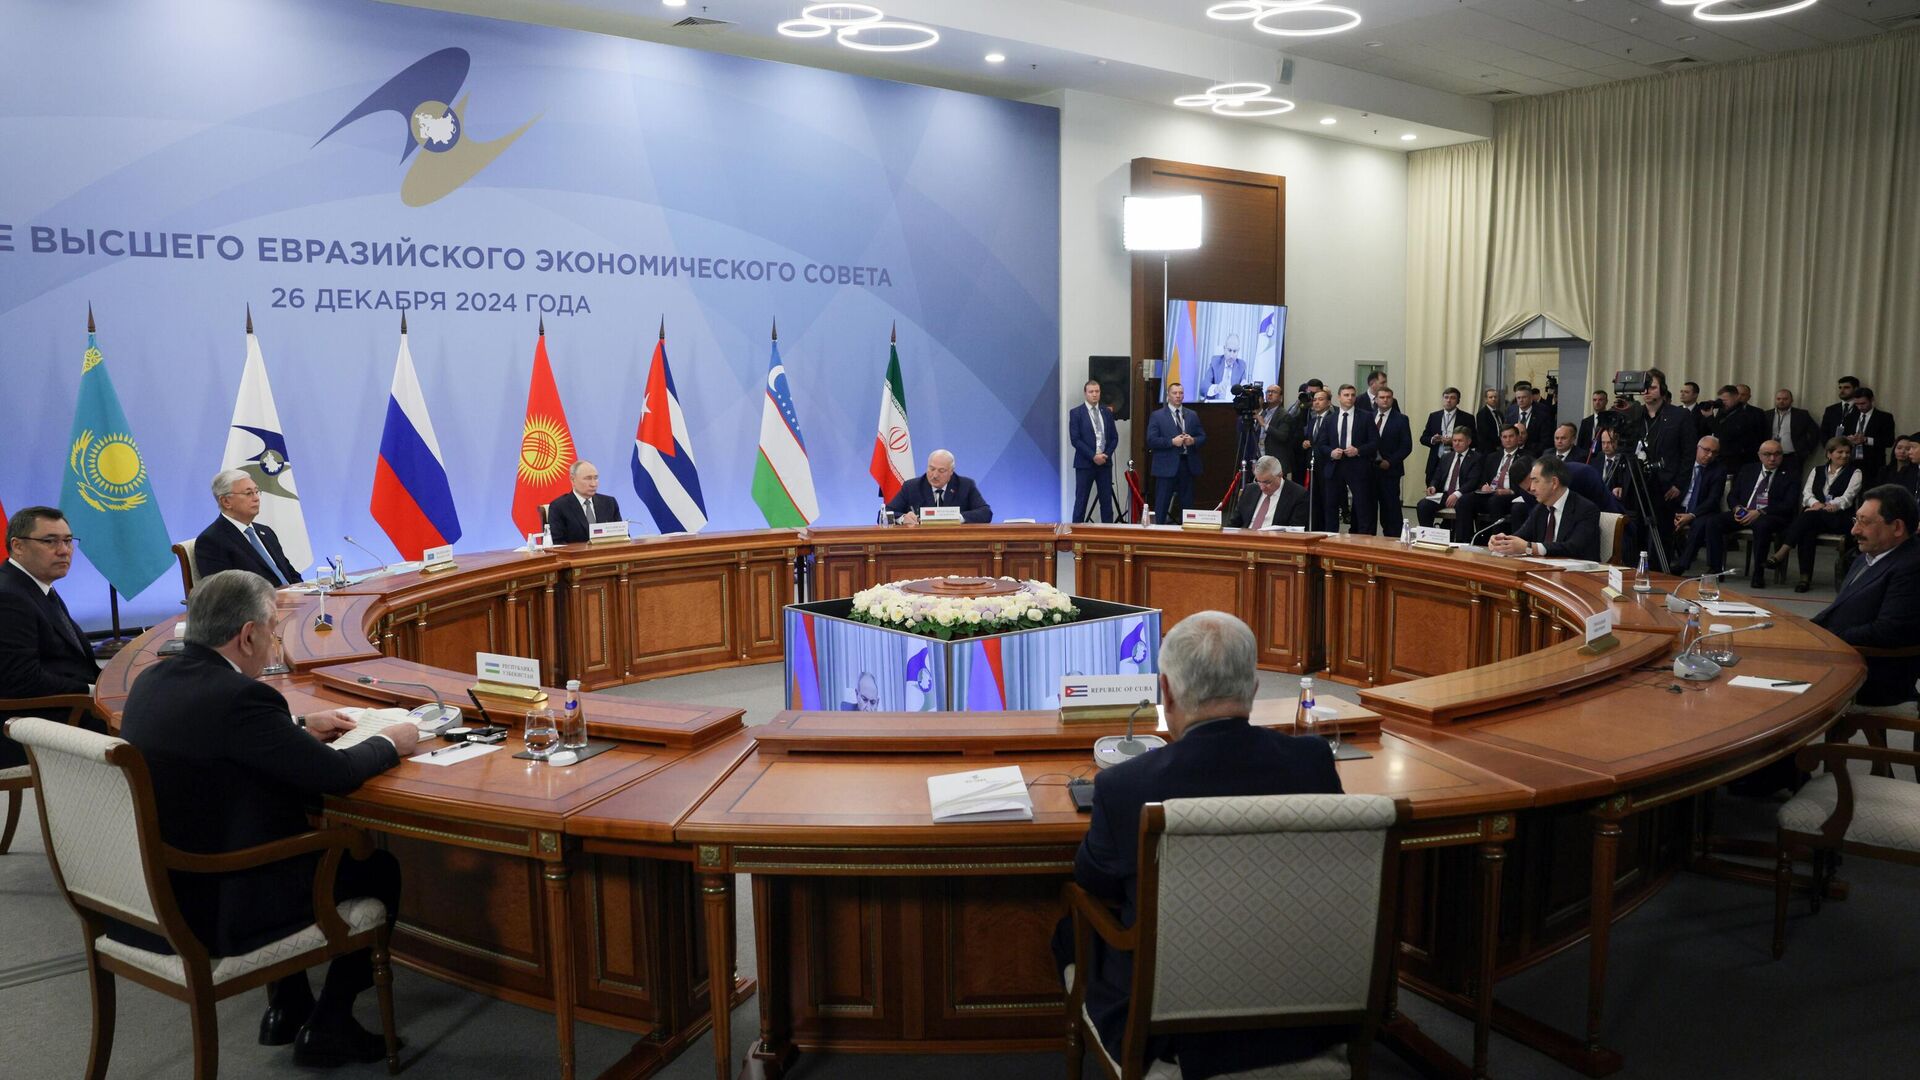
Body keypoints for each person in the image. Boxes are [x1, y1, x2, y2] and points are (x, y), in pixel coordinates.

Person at [109, 570, 418, 1066]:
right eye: (274, 630)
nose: (276, 642)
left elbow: (216, 732)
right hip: (219, 907)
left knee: (274, 824)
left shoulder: (153, 680)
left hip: (154, 892)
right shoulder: (241, 698)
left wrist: (296, 725)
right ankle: (331, 1024)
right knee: (376, 869)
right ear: (247, 635)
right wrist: (390, 741)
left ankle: (288, 1006)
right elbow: (336, 775)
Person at [1053, 611, 1342, 1078]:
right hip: (1303, 1015)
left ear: (1165, 691)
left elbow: (1092, 881)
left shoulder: (1125, 786)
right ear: (1254, 687)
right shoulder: (1312, 762)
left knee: (1072, 925)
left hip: (1171, 1033)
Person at [1, 506, 108, 769]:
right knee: (152, 729)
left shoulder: (34, 584)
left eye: (68, 541)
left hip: (65, 707)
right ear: (18, 546)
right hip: (36, 724)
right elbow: (20, 679)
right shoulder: (9, 596)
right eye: (50, 541)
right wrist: (91, 691)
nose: (64, 550)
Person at [1811, 485, 1920, 707]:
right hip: (1839, 658)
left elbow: (1888, 631)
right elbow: (1838, 610)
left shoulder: (1912, 566)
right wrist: (1802, 630)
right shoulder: (1868, 555)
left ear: (1897, 527)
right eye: (1856, 520)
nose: (1854, 530)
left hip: (1871, 676)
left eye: (1865, 522)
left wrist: (1828, 639)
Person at [1689, 441, 1798, 588]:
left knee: (1762, 526)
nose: (1772, 458)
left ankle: (1758, 573)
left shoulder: (1790, 474)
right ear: (1759, 456)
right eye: (1767, 454)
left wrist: (1759, 512)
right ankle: (1715, 569)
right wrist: (1737, 508)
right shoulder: (1748, 469)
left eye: (1777, 454)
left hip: (1770, 515)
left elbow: (1789, 504)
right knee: (1713, 522)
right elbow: (1732, 496)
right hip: (1744, 512)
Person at [1768, 438, 1863, 593]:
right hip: (1816, 517)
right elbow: (1807, 493)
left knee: (1807, 518)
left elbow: (1848, 497)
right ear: (1829, 454)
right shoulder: (1817, 470)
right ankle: (1804, 579)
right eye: (1840, 452)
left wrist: (1827, 506)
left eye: (1847, 452)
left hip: (1839, 518)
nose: (1844, 455)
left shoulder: (1855, 472)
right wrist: (1815, 504)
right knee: (1807, 529)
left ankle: (1783, 552)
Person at [192, 469, 303, 586]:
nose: (256, 498)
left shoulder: (266, 532)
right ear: (226, 501)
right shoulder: (212, 541)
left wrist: (303, 591)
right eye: (249, 493)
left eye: (256, 491)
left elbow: (291, 574)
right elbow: (225, 590)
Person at [1489, 457, 1601, 561]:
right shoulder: (1540, 509)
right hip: (1544, 569)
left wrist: (1530, 547)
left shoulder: (1586, 510)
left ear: (1554, 483)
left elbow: (1573, 548)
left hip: (1579, 572)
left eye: (1536, 481)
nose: (1532, 488)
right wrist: (1502, 542)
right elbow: (1521, 536)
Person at [1314, 383, 1378, 534]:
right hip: (1335, 465)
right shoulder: (1330, 419)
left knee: (1362, 505)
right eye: (1346, 395)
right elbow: (1321, 444)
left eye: (1352, 395)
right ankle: (1331, 537)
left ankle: (1363, 539)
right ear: (1339, 397)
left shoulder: (1366, 416)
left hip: (1358, 465)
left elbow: (1375, 442)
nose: (1350, 398)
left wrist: (1358, 450)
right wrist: (1331, 452)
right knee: (1331, 505)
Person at [1453, 424, 1531, 544]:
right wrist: (1484, 486)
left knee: (1495, 501)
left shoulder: (1526, 457)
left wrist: (1510, 490)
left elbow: (1528, 483)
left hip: (1511, 495)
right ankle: (1464, 541)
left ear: (1517, 437)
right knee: (1464, 501)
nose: (1508, 440)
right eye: (1504, 437)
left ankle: (1497, 541)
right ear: (1501, 439)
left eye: (1511, 436)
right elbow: (1483, 479)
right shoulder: (1492, 457)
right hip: (1490, 493)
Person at [1146, 384, 1207, 524]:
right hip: (1166, 466)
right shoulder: (1157, 416)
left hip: (1187, 465)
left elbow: (1202, 436)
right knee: (1162, 504)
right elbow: (1151, 440)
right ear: (1168, 395)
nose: (1178, 396)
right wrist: (1172, 442)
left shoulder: (1192, 415)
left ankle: (1187, 532)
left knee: (1187, 504)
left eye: (1181, 393)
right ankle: (1159, 532)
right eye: (1175, 393)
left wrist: (1193, 440)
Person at [1667, 436, 1726, 573]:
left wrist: (1692, 515)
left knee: (1700, 524)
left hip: (1702, 510)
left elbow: (1713, 500)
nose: (1710, 455)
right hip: (1679, 506)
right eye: (1706, 450)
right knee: (1661, 517)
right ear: (1697, 448)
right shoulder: (1683, 464)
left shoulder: (1719, 470)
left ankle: (1682, 565)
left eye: (1714, 452)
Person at [887, 449, 994, 524]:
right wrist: (903, 518)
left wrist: (958, 518)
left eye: (941, 471)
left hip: (955, 542)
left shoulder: (965, 485)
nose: (935, 475)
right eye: (932, 469)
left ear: (951, 471)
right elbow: (885, 513)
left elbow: (986, 513)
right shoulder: (912, 487)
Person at [1070, 379, 1120, 524]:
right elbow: (1075, 440)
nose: (1094, 394)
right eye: (1091, 391)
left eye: (1097, 391)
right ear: (1085, 393)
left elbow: (1114, 438)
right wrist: (1093, 456)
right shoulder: (1076, 413)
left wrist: (1106, 455)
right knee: (1081, 502)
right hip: (1085, 464)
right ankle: (1076, 533)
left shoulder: (1107, 412)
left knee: (1106, 503)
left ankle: (1108, 534)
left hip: (1104, 463)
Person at [1418, 428, 1481, 530]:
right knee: (1423, 505)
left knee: (1462, 504)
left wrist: (1456, 494)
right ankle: (1428, 535)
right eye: (1454, 440)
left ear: (1468, 441)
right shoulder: (1446, 457)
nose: (1456, 443)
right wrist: (1433, 486)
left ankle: (1460, 537)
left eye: (1460, 441)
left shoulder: (1476, 458)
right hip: (1444, 495)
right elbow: (1437, 476)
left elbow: (1472, 482)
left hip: (1463, 495)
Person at [545, 460, 622, 544]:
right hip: (576, 552)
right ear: (573, 480)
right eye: (588, 478)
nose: (593, 484)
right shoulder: (559, 507)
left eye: (596, 478)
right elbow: (557, 543)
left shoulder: (609, 503)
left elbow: (622, 536)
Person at [1370, 386, 1412, 536]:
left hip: (1390, 471)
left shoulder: (1401, 419)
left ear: (1392, 399)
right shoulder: (1368, 417)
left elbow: (1406, 446)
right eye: (1382, 397)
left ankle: (1393, 538)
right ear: (1376, 400)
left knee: (1390, 508)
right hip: (1369, 470)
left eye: (1388, 397)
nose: (1385, 400)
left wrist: (1389, 462)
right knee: (1368, 507)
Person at [1225, 456, 1308, 530]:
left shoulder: (1298, 494)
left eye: (1267, 482)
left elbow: (1295, 530)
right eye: (1258, 481)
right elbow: (1233, 524)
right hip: (1246, 538)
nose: (1262, 487)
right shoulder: (1250, 490)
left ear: (1280, 475)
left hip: (1275, 540)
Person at [1837, 386, 1896, 478]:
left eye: (1863, 403)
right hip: (1851, 461)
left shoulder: (1884, 417)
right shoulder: (1850, 417)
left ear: (1872, 400)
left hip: (1874, 463)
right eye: (1857, 404)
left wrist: (1866, 440)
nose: (1860, 407)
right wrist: (1848, 439)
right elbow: (1842, 436)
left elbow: (1889, 441)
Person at [1711, 384, 1767, 469]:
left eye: (1743, 394)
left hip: (1746, 456)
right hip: (1724, 455)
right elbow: (1717, 431)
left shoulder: (1756, 413)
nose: (1740, 397)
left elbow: (1762, 434)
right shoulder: (1722, 411)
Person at [1769, 389, 1818, 475]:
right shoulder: (1766, 414)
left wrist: (1807, 451)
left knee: (1793, 481)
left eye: (1785, 399)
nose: (1781, 401)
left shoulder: (1801, 415)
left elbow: (1815, 432)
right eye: (1779, 399)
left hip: (1792, 457)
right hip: (1770, 456)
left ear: (1791, 400)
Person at [1507, 384, 1554, 457]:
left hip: (1534, 454)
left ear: (1531, 398)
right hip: (1512, 453)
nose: (1521, 400)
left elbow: (1546, 441)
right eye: (1518, 398)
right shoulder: (1511, 410)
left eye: (1524, 397)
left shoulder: (1542, 413)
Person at [1420, 387, 1464, 462]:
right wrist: (1433, 439)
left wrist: (1453, 441)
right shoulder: (1434, 416)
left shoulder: (1467, 418)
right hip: (1436, 461)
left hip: (1457, 460)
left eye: (1452, 398)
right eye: (1446, 397)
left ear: (1458, 401)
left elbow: (1473, 441)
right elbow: (1423, 439)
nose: (1448, 400)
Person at [1200, 334, 1245, 402]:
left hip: (1233, 405)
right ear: (1224, 349)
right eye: (1229, 350)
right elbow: (1203, 387)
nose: (1231, 356)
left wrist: (1244, 387)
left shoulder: (1241, 366)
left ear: (1238, 351)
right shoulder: (1215, 362)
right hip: (1216, 405)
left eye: (1234, 351)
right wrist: (1216, 388)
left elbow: (1244, 389)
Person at [1818, 376, 1860, 444]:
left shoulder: (1862, 409)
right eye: (1840, 388)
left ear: (1856, 389)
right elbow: (1823, 432)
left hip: (1855, 447)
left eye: (1846, 387)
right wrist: (1830, 447)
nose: (1842, 391)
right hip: (1833, 448)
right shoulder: (1830, 410)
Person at [1575, 390, 1612, 463]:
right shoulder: (1585, 421)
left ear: (1606, 401)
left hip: (1603, 456)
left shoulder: (1611, 420)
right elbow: (1580, 443)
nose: (1597, 403)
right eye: (1594, 400)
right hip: (1586, 457)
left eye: (1600, 400)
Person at [1474, 387, 1504, 452]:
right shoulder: (1482, 414)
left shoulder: (1500, 413)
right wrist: (1500, 442)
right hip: (1487, 449)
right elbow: (1485, 433)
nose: (1493, 399)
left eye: (1495, 397)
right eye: (1490, 397)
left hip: (1500, 447)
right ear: (1486, 399)